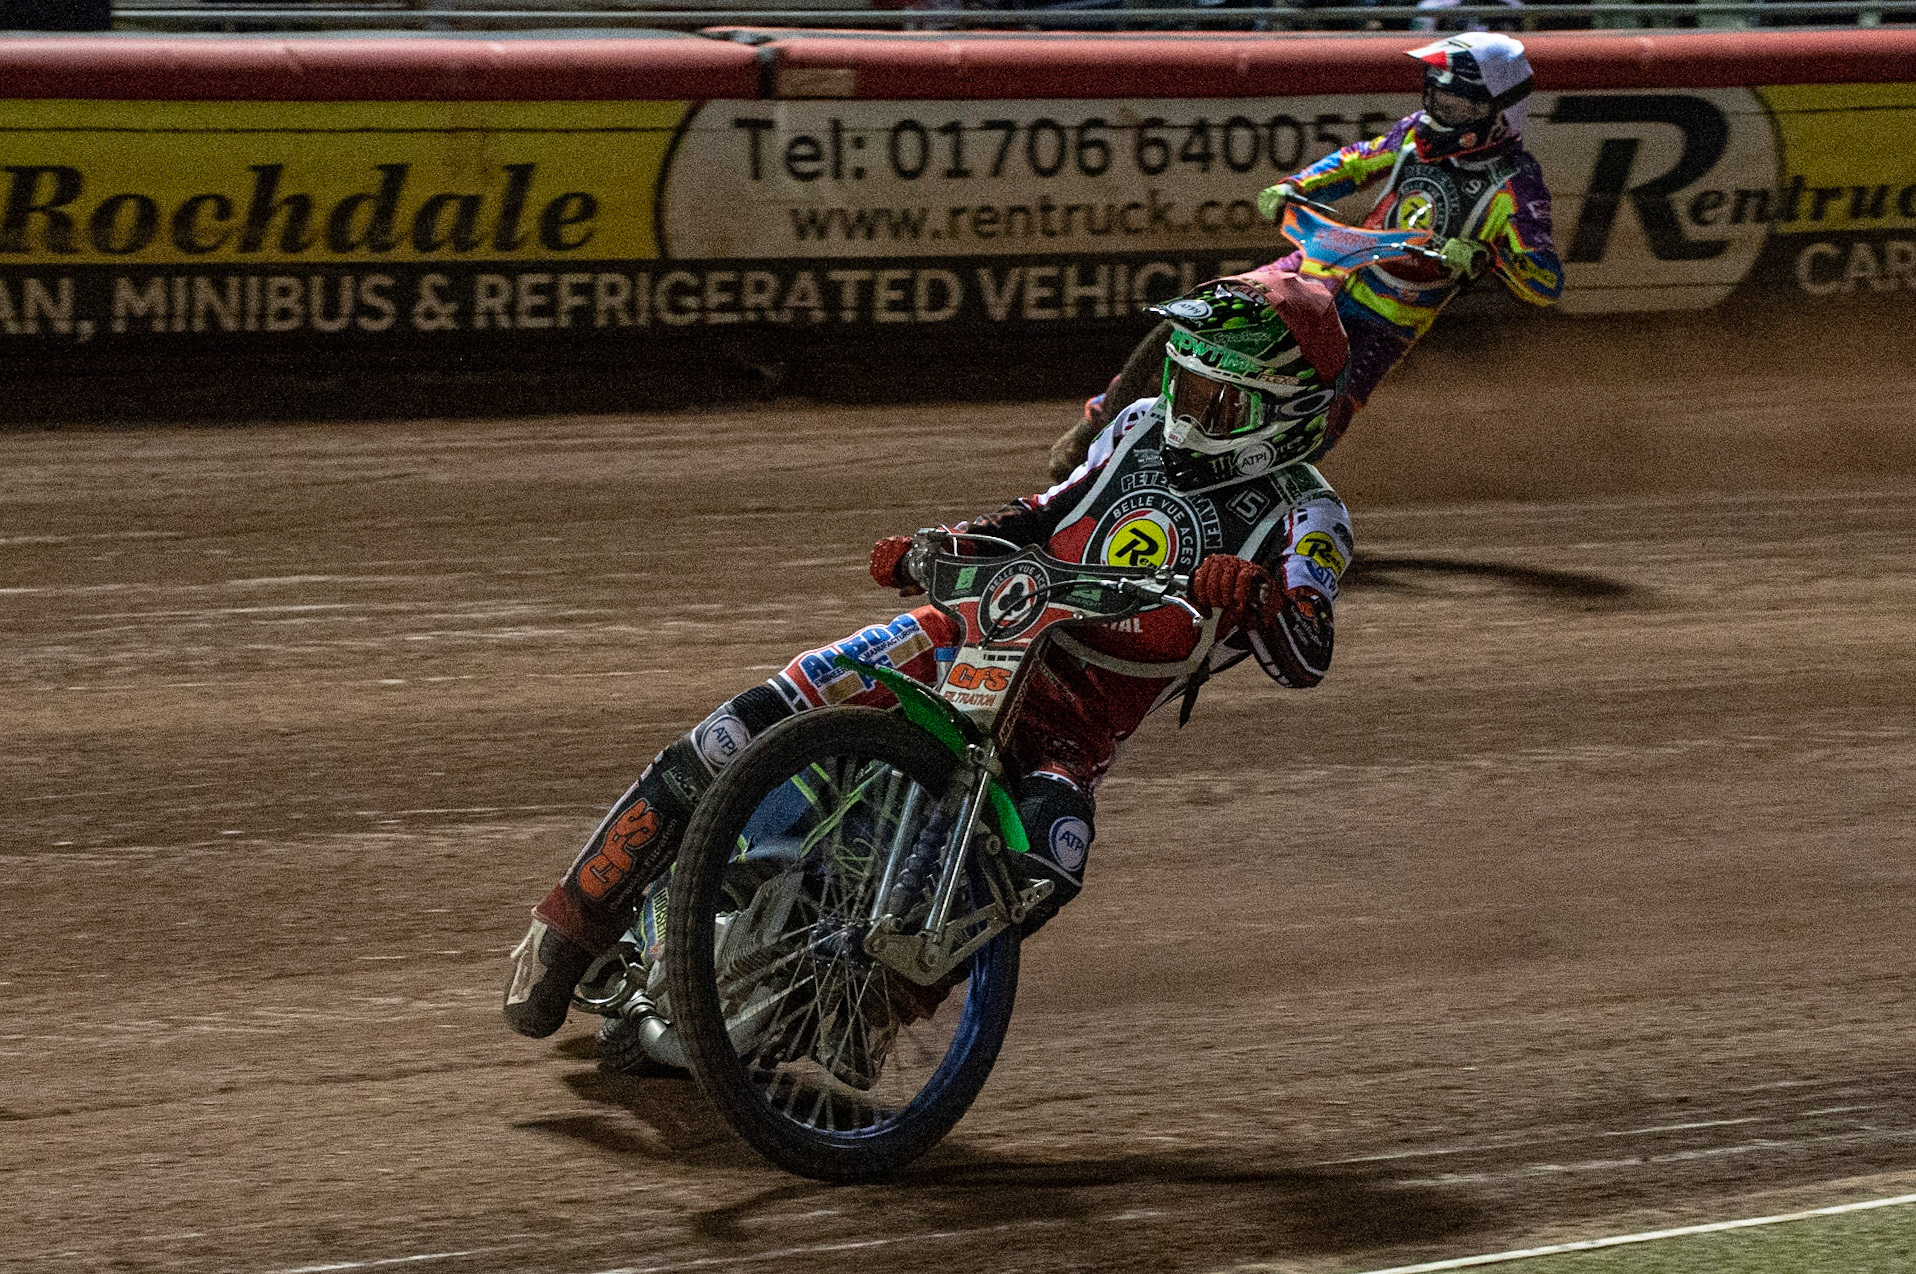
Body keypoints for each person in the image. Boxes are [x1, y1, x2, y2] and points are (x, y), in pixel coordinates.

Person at [504, 265, 1359, 1042]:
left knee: (1051, 851)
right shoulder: (1137, 429)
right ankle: (572, 920)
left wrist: (1261, 594)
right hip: (967, 633)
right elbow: (1040, 512)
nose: (1187, 406)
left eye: (1217, 398)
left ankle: (865, 1012)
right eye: (1188, 378)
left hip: (1066, 723)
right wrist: (944, 541)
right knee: (760, 716)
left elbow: (1307, 653)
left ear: (1277, 416)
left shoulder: (1306, 517)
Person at [1047, 32, 1563, 484]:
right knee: (1212, 310)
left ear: (1499, 113)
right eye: (1436, 97)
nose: (1439, 113)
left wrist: (1485, 256)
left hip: (1384, 318)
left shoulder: (1515, 186)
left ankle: (1246, 493)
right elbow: (1358, 161)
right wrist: (1297, 186)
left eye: (1457, 106)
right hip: (1327, 261)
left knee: (1320, 423)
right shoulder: (1414, 135)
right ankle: (1100, 421)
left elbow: (1545, 280)